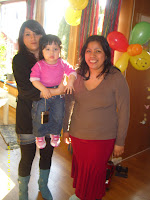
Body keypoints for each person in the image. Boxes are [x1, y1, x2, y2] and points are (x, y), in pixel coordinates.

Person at [63, 35, 130, 200]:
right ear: (84, 54)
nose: (92, 55)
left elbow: (124, 110)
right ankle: (81, 195)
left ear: (106, 55)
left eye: (98, 51)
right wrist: (66, 129)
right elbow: (68, 104)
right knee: (82, 172)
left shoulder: (116, 77)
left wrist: (120, 141)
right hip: (78, 136)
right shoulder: (76, 75)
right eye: (88, 51)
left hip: (102, 138)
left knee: (94, 175)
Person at [12, 19, 65, 200]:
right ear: (22, 37)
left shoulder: (52, 57)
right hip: (26, 117)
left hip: (48, 116)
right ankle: (23, 192)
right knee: (27, 157)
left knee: (47, 153)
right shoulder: (19, 60)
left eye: (36, 33)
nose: (33, 37)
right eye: (28, 34)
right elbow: (26, 90)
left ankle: (43, 185)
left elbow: (65, 77)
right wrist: (55, 91)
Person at [30, 34, 76, 149]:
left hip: (58, 97)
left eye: (55, 49)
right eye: (48, 49)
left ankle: (55, 134)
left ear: (60, 50)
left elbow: (73, 73)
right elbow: (34, 80)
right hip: (43, 95)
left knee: (59, 115)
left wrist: (70, 82)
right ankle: (39, 136)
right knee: (39, 116)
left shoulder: (62, 63)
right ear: (42, 51)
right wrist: (43, 89)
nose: (52, 52)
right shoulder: (39, 65)